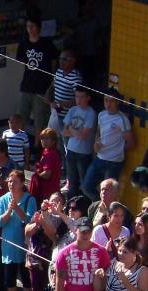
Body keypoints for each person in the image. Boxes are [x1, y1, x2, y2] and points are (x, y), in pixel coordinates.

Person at [81, 89, 135, 201]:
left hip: (113, 162)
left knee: (109, 193)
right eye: (106, 100)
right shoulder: (101, 114)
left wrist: (118, 149)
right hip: (99, 158)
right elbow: (98, 131)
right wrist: (96, 143)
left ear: (117, 102)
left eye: (112, 101)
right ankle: (100, 206)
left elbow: (131, 143)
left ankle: (106, 208)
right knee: (86, 187)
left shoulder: (122, 119)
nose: (108, 104)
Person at [0, 170, 37, 291]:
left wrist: (17, 208)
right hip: (8, 244)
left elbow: (30, 220)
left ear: (22, 183)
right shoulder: (3, 199)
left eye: (14, 181)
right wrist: (9, 210)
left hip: (24, 244)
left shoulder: (29, 199)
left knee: (26, 276)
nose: (11, 184)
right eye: (9, 181)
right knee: (10, 275)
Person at [16, 15, 58, 147]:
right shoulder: (23, 44)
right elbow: (21, 63)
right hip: (27, 85)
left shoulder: (47, 44)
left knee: (40, 119)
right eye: (28, 26)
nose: (30, 29)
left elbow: (53, 63)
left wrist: (51, 85)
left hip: (42, 87)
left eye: (33, 26)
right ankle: (19, 143)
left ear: (38, 28)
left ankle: (37, 146)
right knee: (21, 115)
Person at [25, 191, 70, 291]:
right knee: (35, 286)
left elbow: (54, 237)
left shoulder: (63, 220)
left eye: (57, 201)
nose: (53, 203)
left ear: (62, 205)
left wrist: (43, 221)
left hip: (49, 258)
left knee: (48, 286)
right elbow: (27, 231)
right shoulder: (40, 213)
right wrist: (36, 224)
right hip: (34, 255)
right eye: (52, 200)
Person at [62, 86, 97, 199]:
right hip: (71, 150)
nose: (78, 100)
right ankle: (71, 204)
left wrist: (70, 128)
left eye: (81, 97)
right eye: (77, 97)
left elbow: (83, 136)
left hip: (84, 153)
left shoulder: (91, 113)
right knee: (72, 182)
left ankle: (84, 204)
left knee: (84, 183)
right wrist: (75, 131)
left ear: (88, 98)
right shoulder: (72, 110)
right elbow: (64, 132)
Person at [45, 49, 82, 141]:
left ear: (73, 61)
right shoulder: (58, 72)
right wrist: (47, 96)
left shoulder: (76, 77)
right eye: (60, 58)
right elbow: (52, 86)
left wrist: (61, 104)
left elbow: (79, 100)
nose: (61, 61)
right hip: (55, 114)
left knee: (66, 143)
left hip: (68, 118)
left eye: (64, 59)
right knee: (54, 140)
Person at [28, 127, 61, 203]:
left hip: (48, 191)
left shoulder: (51, 154)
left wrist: (36, 173)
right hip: (47, 190)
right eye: (42, 138)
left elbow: (47, 175)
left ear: (53, 141)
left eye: (47, 138)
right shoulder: (46, 150)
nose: (43, 141)